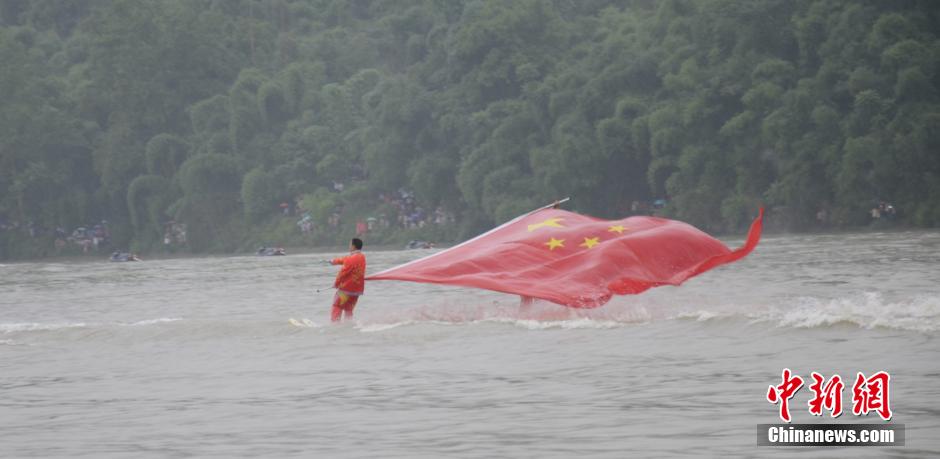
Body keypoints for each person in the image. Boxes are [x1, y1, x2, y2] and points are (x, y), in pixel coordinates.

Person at [327, 238, 366, 322]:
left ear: (353, 246)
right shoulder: (362, 257)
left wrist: (336, 284)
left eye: (350, 244)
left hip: (346, 290)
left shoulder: (350, 259)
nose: (349, 246)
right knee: (348, 309)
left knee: (337, 305)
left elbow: (342, 273)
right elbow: (345, 260)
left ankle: (335, 325)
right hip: (357, 291)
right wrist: (333, 261)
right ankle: (348, 325)